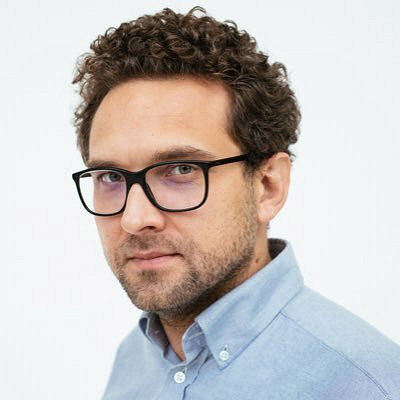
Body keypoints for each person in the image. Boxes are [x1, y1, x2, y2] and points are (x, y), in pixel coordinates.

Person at [71, 6, 400, 400]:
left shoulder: (367, 384)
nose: (135, 218)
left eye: (181, 169)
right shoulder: (134, 362)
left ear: (268, 186)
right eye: (111, 177)